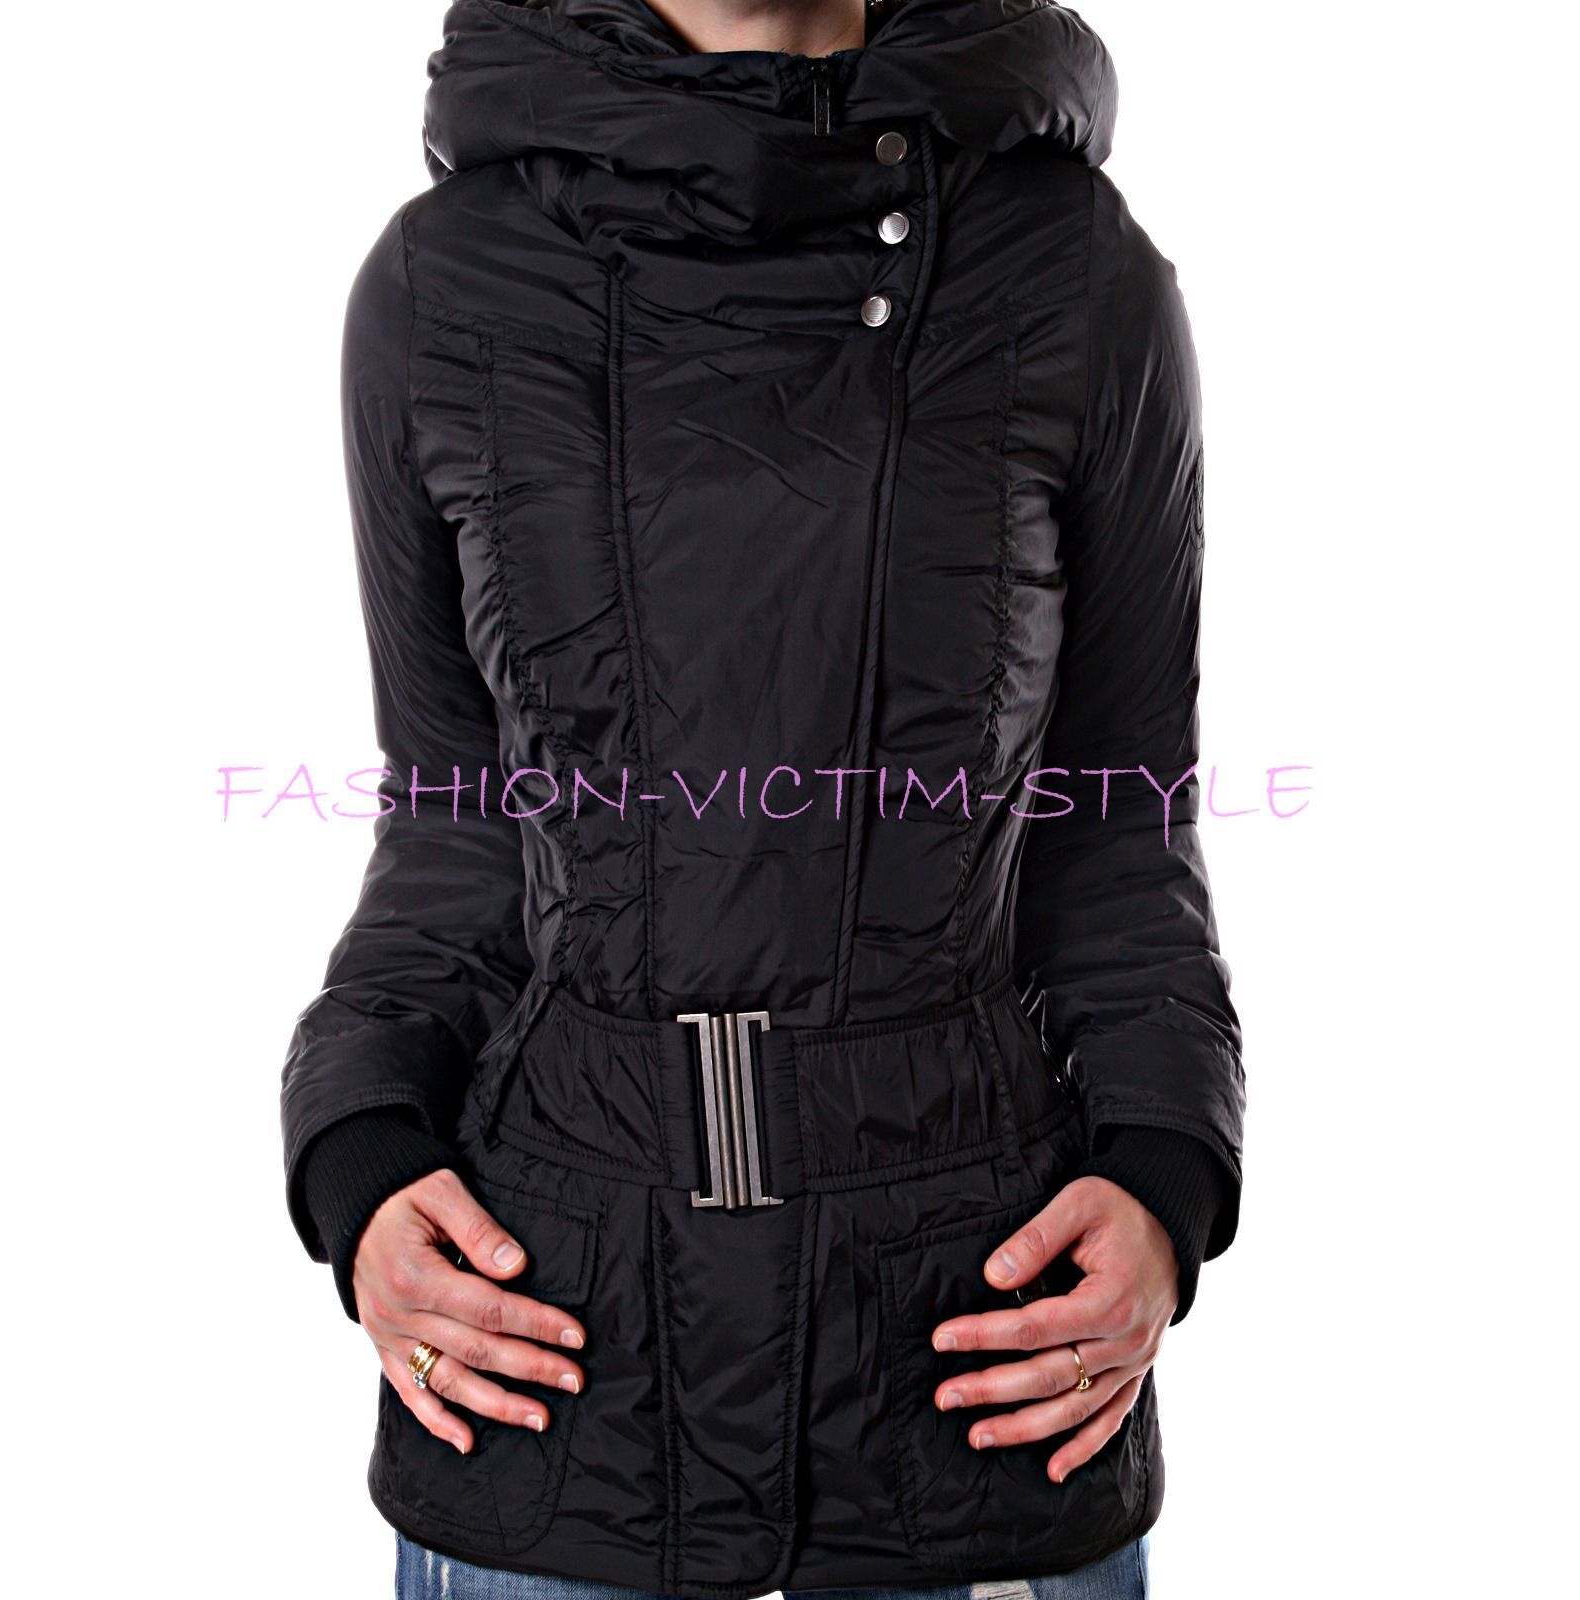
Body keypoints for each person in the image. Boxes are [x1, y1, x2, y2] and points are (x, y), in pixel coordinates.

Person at [278, 2, 1247, 1597]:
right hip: (554, 1361)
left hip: (972, 1356)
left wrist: (1163, 1180)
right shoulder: (443, 285)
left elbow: (1120, 822)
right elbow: (453, 825)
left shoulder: (1070, 268)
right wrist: (361, 1157)